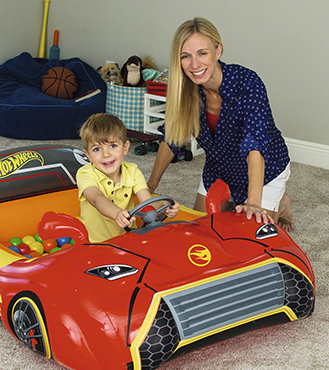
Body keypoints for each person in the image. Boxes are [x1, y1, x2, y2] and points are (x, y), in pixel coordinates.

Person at [147, 17, 295, 232]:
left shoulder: (248, 83)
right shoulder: (183, 90)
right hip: (221, 168)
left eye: (202, 53)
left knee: (249, 236)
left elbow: (254, 143)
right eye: (185, 56)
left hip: (265, 171)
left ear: (218, 51)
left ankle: (280, 204)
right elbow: (171, 138)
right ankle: (237, 204)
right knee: (202, 231)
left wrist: (254, 202)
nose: (194, 65)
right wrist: (149, 187)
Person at [77, 113, 180, 242]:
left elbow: (147, 202)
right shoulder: (85, 174)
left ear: (125, 148)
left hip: (129, 238)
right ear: (88, 155)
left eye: (113, 146)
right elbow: (97, 199)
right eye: (97, 149)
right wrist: (116, 213)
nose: (106, 154)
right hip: (96, 242)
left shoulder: (133, 171)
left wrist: (164, 207)